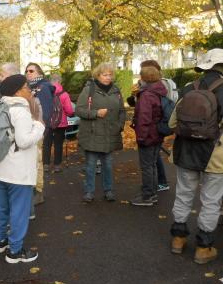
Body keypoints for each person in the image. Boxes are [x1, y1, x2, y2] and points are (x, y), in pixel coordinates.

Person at [169, 48, 223, 264]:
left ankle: (178, 239)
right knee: (211, 201)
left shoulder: (189, 88)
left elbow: (172, 123)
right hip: (216, 155)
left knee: (183, 194)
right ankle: (203, 247)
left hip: (185, 151)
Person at [0, 74, 45, 263]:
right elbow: (23, 141)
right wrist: (38, 127)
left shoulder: (0, 106)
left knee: (2, 206)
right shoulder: (20, 110)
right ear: (18, 91)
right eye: (27, 87)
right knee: (19, 211)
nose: (30, 90)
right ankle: (15, 250)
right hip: (18, 170)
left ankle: (0, 241)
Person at [76, 63, 126, 202]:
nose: (108, 77)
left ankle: (108, 190)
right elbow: (79, 110)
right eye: (105, 75)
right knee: (91, 165)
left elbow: (122, 111)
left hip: (110, 134)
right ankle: (89, 192)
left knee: (108, 165)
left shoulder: (116, 90)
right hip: (92, 134)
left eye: (110, 75)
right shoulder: (89, 90)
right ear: (98, 75)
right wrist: (95, 113)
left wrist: (120, 126)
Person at [127, 60, 170, 192]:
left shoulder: (147, 95)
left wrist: (141, 138)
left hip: (149, 135)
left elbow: (144, 118)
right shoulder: (159, 90)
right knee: (152, 163)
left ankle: (148, 194)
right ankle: (153, 189)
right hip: (157, 132)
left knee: (147, 165)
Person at [25, 62, 54, 205]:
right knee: (30, 160)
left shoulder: (43, 88)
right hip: (27, 130)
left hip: (37, 130)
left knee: (37, 160)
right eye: (27, 71)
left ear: (39, 73)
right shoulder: (28, 87)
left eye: (31, 71)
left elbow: (47, 111)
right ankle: (31, 189)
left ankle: (39, 191)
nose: (28, 73)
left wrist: (40, 129)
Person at [43, 73, 74, 172]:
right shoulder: (64, 94)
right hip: (60, 123)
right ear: (60, 81)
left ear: (49, 81)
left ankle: (46, 165)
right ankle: (57, 166)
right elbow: (69, 110)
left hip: (48, 123)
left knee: (47, 144)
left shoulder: (45, 92)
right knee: (58, 144)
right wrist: (70, 114)